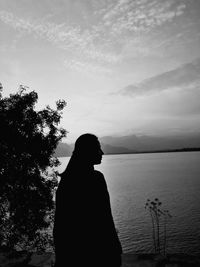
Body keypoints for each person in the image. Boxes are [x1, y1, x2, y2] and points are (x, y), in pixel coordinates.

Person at [53, 133, 122, 267]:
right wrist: (115, 247)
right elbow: (105, 219)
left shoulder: (66, 181)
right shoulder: (96, 179)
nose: (102, 152)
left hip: (73, 254)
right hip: (98, 253)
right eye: (98, 148)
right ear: (87, 151)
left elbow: (60, 225)